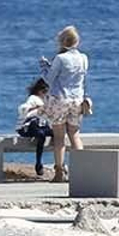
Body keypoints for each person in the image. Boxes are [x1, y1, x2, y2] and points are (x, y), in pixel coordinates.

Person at [42, 25, 91, 183]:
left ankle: (59, 172)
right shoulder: (84, 58)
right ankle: (82, 171)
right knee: (75, 134)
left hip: (60, 99)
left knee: (59, 137)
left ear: (62, 42)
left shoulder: (60, 58)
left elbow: (49, 80)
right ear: (77, 41)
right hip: (77, 99)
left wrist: (45, 68)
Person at [16, 76, 54, 178]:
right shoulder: (33, 99)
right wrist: (37, 109)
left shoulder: (45, 100)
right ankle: (39, 163)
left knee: (54, 133)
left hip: (40, 126)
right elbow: (23, 109)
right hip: (27, 127)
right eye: (45, 91)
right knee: (40, 133)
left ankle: (57, 162)